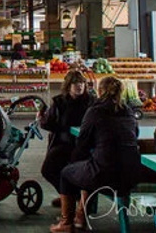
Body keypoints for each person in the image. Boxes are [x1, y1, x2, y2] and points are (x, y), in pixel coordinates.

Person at [51, 76, 140, 233]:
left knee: (68, 173)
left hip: (105, 174)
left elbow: (82, 142)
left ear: (99, 91)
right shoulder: (129, 111)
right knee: (90, 169)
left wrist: (74, 161)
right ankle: (80, 217)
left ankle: (66, 223)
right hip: (130, 175)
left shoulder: (95, 111)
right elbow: (135, 134)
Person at [39, 70, 94, 209]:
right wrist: (41, 119)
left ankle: (70, 196)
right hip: (64, 143)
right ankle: (68, 195)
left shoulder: (92, 102)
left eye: (82, 83)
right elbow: (49, 123)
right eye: (75, 83)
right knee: (48, 169)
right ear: (68, 85)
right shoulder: (59, 102)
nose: (79, 86)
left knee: (79, 166)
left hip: (86, 145)